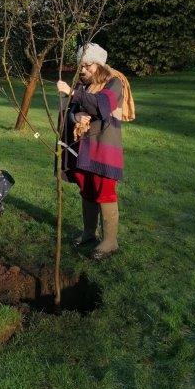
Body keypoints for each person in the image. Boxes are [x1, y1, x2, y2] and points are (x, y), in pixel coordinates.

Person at [56, 43, 135, 259]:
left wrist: (72, 93)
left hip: (103, 147)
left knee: (105, 192)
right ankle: (89, 233)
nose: (82, 70)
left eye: (87, 65)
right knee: (87, 189)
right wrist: (75, 116)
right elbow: (67, 109)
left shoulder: (114, 82)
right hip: (83, 148)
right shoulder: (83, 85)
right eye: (80, 66)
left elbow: (101, 106)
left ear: (99, 64)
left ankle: (110, 241)